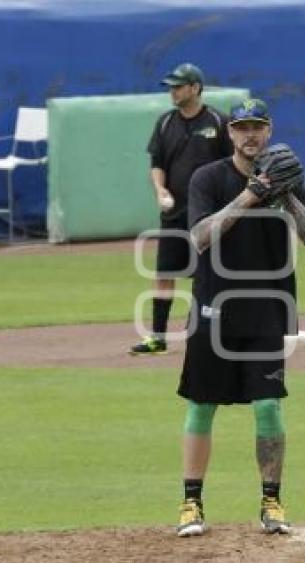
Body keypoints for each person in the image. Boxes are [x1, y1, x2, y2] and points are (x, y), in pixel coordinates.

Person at [175, 98, 305, 537]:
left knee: (268, 405)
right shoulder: (207, 178)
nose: (250, 134)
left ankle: (272, 501)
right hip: (214, 308)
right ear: (229, 133)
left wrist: (286, 194)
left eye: (258, 126)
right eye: (242, 127)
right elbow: (199, 238)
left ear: (268, 131)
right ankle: (191, 502)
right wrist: (252, 194)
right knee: (202, 404)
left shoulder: (284, 174)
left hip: (267, 309)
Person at [130, 63, 233, 355]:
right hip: (174, 214)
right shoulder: (165, 123)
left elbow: (232, 164)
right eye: (171, 86)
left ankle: (206, 332)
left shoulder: (217, 121)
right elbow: (157, 164)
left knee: (209, 274)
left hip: (208, 214)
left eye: (178, 86)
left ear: (195, 88)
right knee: (164, 273)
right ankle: (157, 338)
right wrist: (160, 189)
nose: (173, 91)